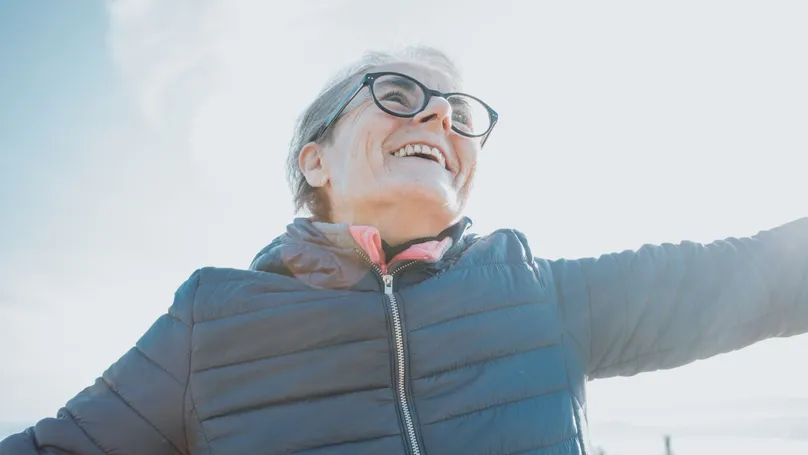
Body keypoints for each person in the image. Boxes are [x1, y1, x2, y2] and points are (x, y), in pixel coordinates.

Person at [2, 45, 806, 455]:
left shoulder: (538, 294)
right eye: (397, 95)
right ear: (313, 160)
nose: (436, 120)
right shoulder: (209, 321)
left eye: (457, 112)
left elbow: (757, 278)